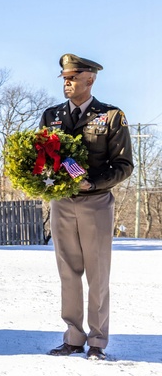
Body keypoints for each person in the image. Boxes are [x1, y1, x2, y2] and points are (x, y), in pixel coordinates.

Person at [40, 54, 133, 360]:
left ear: (90, 79)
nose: (67, 83)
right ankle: (72, 337)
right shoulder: (51, 116)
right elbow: (40, 158)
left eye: (73, 77)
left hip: (95, 203)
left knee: (97, 274)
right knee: (68, 272)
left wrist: (93, 183)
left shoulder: (111, 116)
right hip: (62, 203)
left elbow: (123, 165)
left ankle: (97, 341)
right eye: (65, 78)